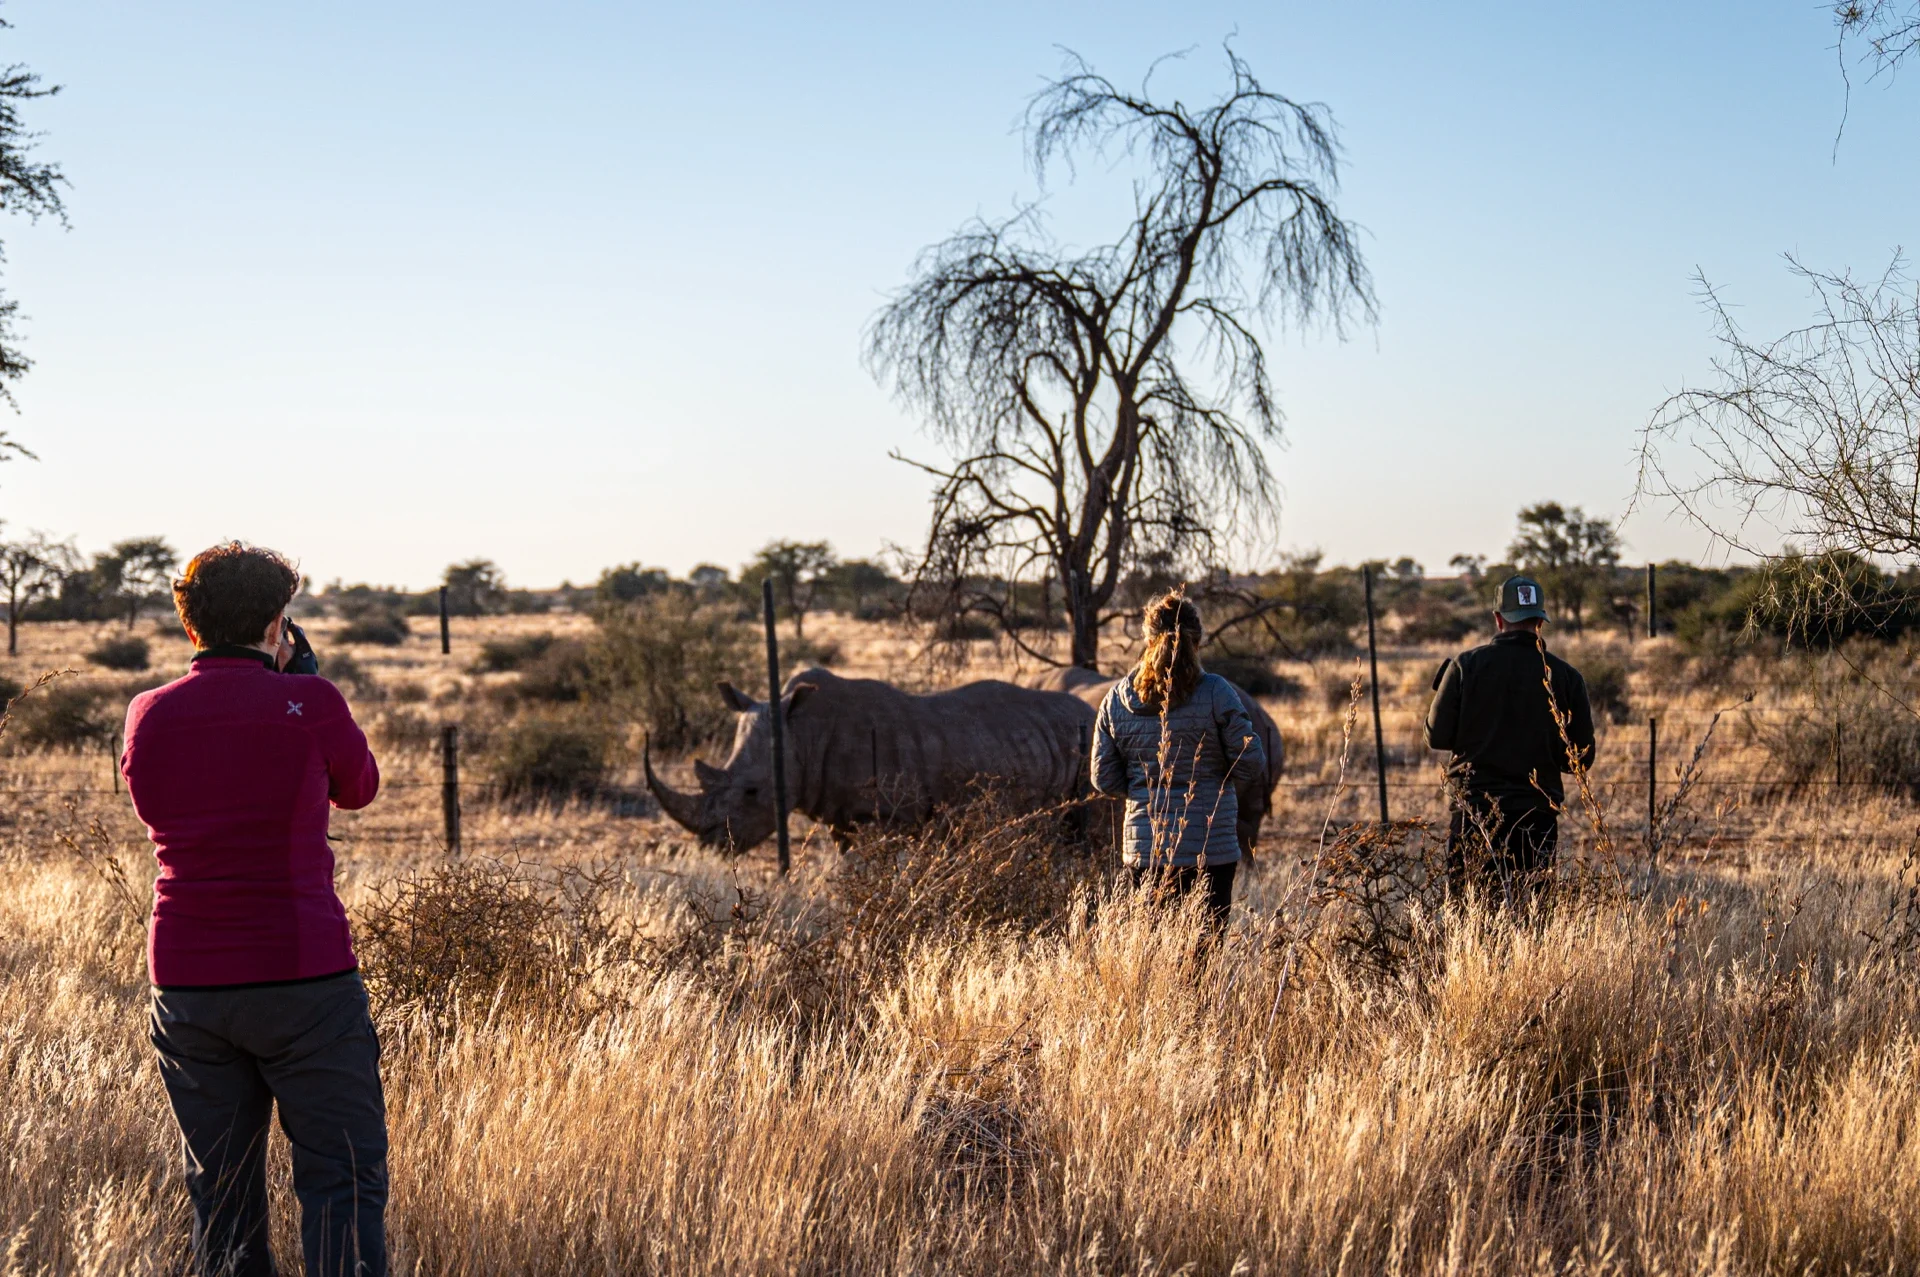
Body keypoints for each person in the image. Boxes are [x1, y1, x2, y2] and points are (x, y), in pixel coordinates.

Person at [121, 542, 386, 1277]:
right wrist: (305, 684)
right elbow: (359, 786)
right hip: (304, 975)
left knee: (223, 1192)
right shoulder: (310, 702)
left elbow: (155, 802)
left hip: (189, 982)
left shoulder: (147, 714)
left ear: (190, 626)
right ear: (278, 623)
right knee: (345, 1178)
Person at [1091, 591, 1268, 929]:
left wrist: (1144, 790)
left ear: (1147, 638)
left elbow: (1104, 778)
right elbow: (1251, 762)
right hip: (1210, 849)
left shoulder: (1117, 699)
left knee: (1156, 954)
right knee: (1203, 956)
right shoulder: (1217, 692)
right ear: (1198, 639)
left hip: (1145, 851)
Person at [1424, 573, 1595, 905]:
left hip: (1475, 815)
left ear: (1498, 618)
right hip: (1536, 817)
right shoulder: (1566, 676)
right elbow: (1579, 760)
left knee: (1470, 914)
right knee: (1530, 915)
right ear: (1540, 621)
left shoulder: (1465, 666)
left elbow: (1436, 737)